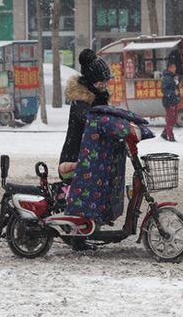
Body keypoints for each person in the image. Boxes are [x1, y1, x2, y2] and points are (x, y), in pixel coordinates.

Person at [58, 49, 111, 250]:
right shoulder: (81, 102)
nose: (103, 86)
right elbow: (90, 120)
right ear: (90, 82)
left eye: (105, 82)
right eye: (100, 83)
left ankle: (87, 229)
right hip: (75, 157)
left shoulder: (97, 96)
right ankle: (77, 239)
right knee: (81, 197)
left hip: (91, 156)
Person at [161, 59, 180, 142]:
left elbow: (175, 87)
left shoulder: (173, 77)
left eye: (175, 67)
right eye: (173, 67)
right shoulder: (166, 78)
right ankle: (170, 136)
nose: (174, 69)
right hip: (169, 101)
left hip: (174, 100)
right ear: (169, 68)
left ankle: (165, 133)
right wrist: (173, 93)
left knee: (174, 118)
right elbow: (164, 90)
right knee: (170, 118)